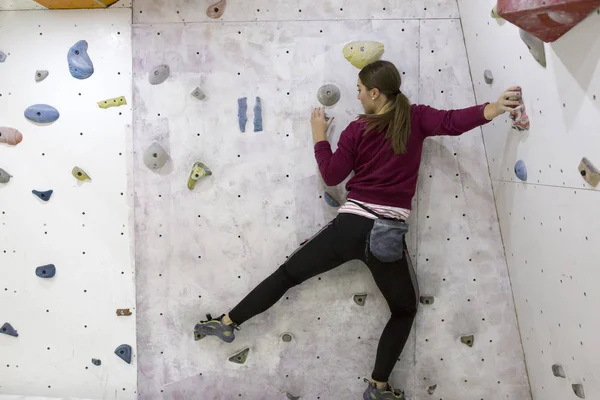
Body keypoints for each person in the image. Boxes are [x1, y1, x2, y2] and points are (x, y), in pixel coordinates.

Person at [194, 60, 522, 400]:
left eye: (361, 91)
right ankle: (377, 388)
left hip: (350, 227)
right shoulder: (418, 117)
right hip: (386, 237)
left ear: (376, 93)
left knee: (287, 275)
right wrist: (495, 107)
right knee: (404, 309)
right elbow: (454, 121)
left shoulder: (357, 128)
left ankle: (227, 323)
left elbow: (332, 175)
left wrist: (319, 135)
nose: (359, 97)